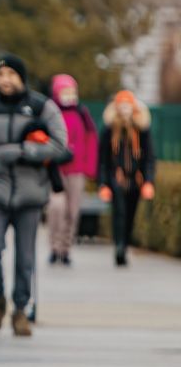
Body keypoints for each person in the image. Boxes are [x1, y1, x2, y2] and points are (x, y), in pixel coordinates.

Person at [0, 54, 70, 337]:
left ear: (21, 77)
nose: (5, 80)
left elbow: (61, 146)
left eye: (11, 74)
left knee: (25, 258)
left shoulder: (41, 107)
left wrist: (25, 152)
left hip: (29, 193)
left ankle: (20, 309)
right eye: (1, 75)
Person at [98, 90, 156, 267]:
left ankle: (126, 242)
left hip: (136, 179)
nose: (124, 109)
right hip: (117, 177)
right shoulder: (109, 129)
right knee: (120, 212)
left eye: (127, 105)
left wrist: (148, 181)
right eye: (121, 105)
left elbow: (149, 157)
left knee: (130, 214)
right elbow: (103, 159)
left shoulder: (142, 129)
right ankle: (120, 247)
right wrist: (103, 183)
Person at [47, 74, 99, 266]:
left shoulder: (82, 114)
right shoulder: (51, 113)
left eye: (72, 91)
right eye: (65, 91)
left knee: (72, 211)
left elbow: (91, 141)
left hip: (77, 170)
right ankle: (53, 246)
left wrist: (89, 168)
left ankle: (65, 248)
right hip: (56, 169)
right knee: (56, 208)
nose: (69, 95)